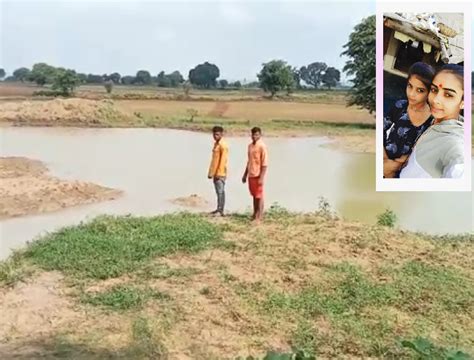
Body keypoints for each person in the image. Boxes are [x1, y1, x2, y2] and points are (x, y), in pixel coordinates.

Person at [400, 64, 464, 178]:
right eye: (434, 90)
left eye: (448, 95)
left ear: (464, 102)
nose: (435, 100)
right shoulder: (434, 121)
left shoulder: (455, 144)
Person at [383, 62, 435, 178]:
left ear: (429, 92)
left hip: (407, 173)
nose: (411, 94)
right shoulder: (400, 106)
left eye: (420, 90)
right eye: (410, 86)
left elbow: (422, 152)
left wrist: (397, 165)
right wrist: (385, 162)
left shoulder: (433, 120)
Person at [242, 127, 268, 222]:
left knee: (259, 195)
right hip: (251, 174)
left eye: (256, 134)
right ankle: (255, 213)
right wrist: (245, 174)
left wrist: (261, 177)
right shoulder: (250, 146)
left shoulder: (262, 146)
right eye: (253, 134)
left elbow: (264, 163)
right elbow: (249, 161)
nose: (254, 136)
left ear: (260, 135)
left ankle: (259, 216)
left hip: (258, 174)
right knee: (254, 195)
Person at [208, 126, 228, 216]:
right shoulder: (216, 144)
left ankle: (220, 210)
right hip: (215, 172)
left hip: (220, 173)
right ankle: (218, 209)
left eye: (217, 134)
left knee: (220, 191)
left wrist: (218, 173)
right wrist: (211, 172)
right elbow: (214, 160)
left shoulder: (223, 145)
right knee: (218, 191)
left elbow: (223, 161)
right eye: (214, 134)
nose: (215, 136)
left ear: (221, 134)